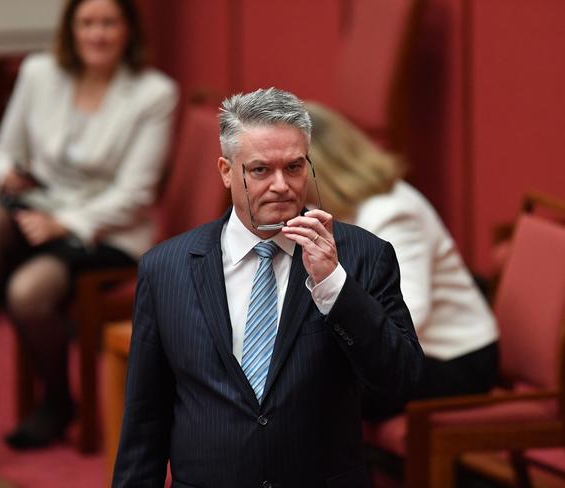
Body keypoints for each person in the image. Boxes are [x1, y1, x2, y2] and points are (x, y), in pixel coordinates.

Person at [112, 88, 422, 487]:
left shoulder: (363, 255)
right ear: (226, 171)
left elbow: (401, 379)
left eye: (294, 168)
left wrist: (333, 285)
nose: (281, 186)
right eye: (260, 170)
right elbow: (145, 417)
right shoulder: (166, 269)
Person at [0, 0, 178, 450]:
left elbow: (136, 196)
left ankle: (57, 399)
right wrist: (5, 174)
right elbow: (3, 150)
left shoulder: (153, 93)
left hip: (107, 230)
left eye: (108, 23)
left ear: (128, 31)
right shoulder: (39, 73)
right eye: (87, 23)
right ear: (70, 29)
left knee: (28, 293)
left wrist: (63, 224)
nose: (97, 34)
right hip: (38, 209)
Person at [304, 101, 499, 420]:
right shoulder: (325, 209)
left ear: (321, 166)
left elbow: (407, 314)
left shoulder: (391, 212)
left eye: (292, 167)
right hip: (390, 352)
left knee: (308, 389)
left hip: (453, 360)